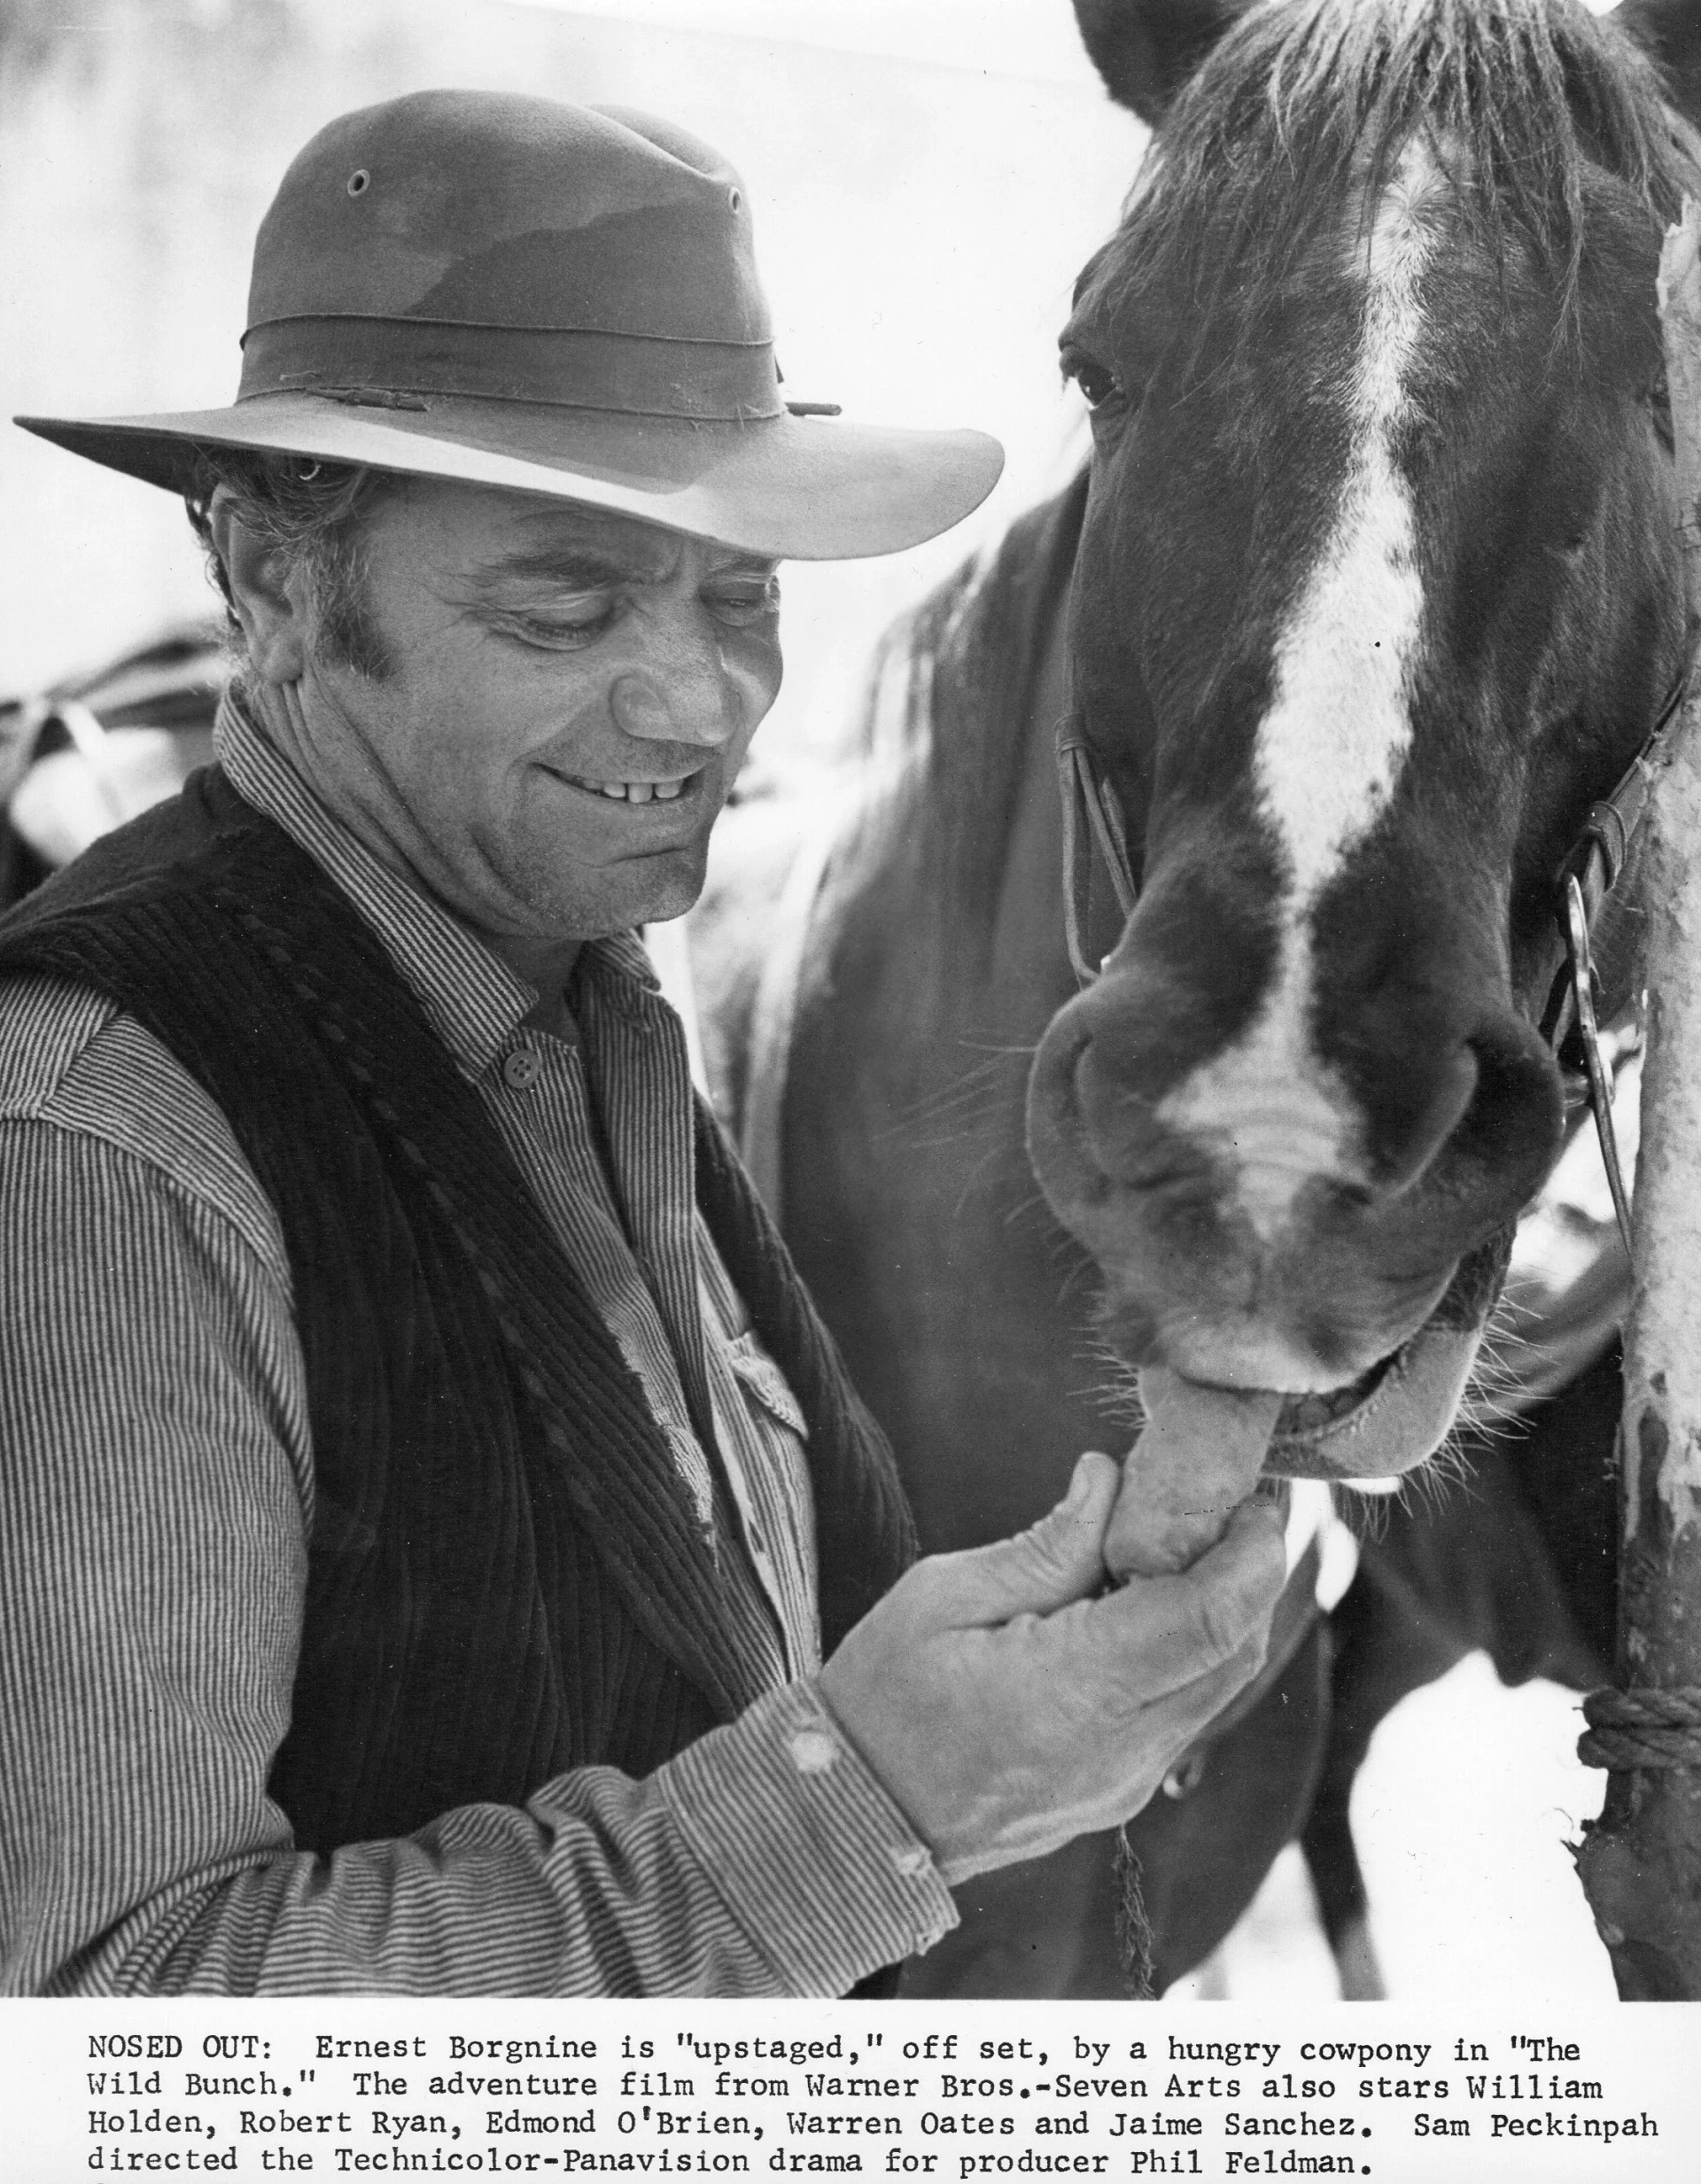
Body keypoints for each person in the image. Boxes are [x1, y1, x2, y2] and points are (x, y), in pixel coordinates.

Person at [0, 89, 1283, 1997]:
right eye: (566, 597)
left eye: (741, 593)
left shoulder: (580, 1003)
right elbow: (102, 2042)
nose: (701, 698)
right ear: (274, 586)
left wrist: (1001, 1708)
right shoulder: (110, 1143)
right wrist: (882, 1809)